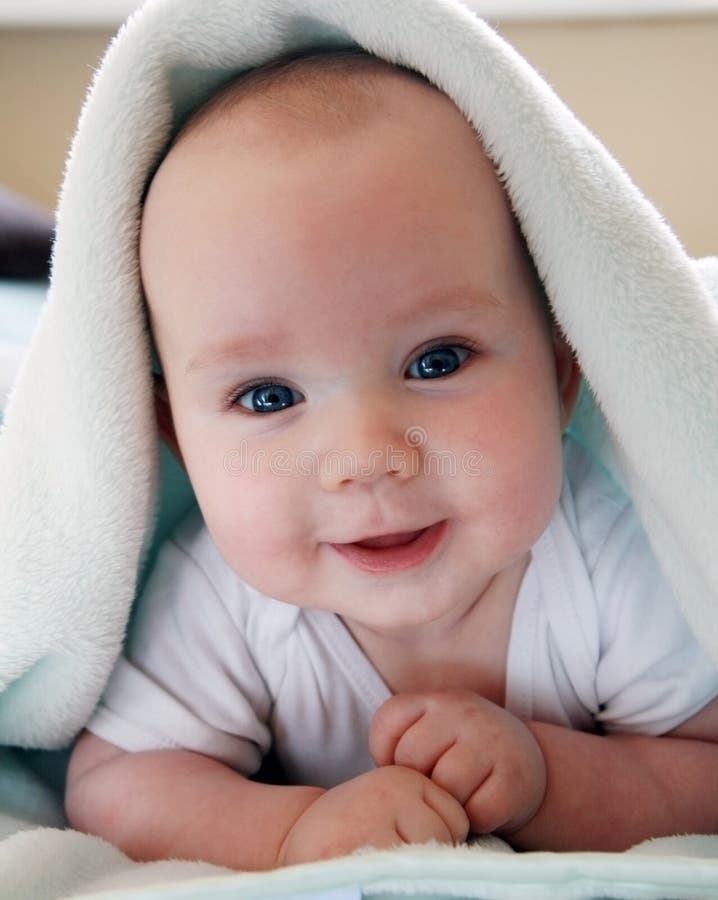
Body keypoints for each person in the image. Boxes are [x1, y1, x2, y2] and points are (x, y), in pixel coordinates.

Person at [64, 50, 718, 870]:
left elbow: (705, 771)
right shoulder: (221, 597)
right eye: (268, 397)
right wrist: (294, 831)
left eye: (437, 361)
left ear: (557, 375)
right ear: (177, 441)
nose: (367, 460)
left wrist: (551, 780)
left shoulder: (610, 554)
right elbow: (116, 782)